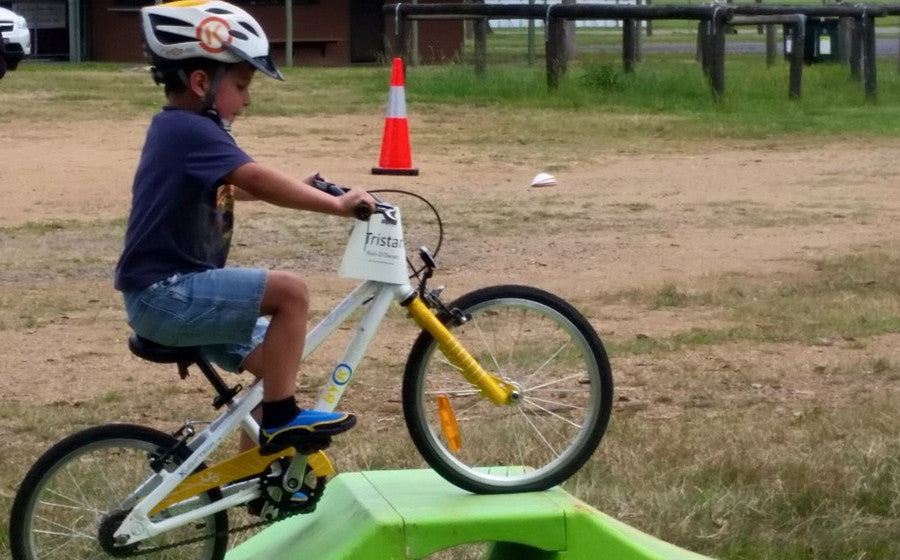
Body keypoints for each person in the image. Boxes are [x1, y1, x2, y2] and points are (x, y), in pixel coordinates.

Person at [114, 0, 375, 456]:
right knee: (290, 292)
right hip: (166, 294)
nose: (247, 99)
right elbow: (252, 177)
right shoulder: (191, 131)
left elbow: (235, 186)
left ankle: (252, 476)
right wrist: (337, 204)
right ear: (201, 82)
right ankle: (281, 418)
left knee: (274, 367)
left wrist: (301, 187)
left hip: (164, 296)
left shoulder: (180, 128)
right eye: (241, 84)